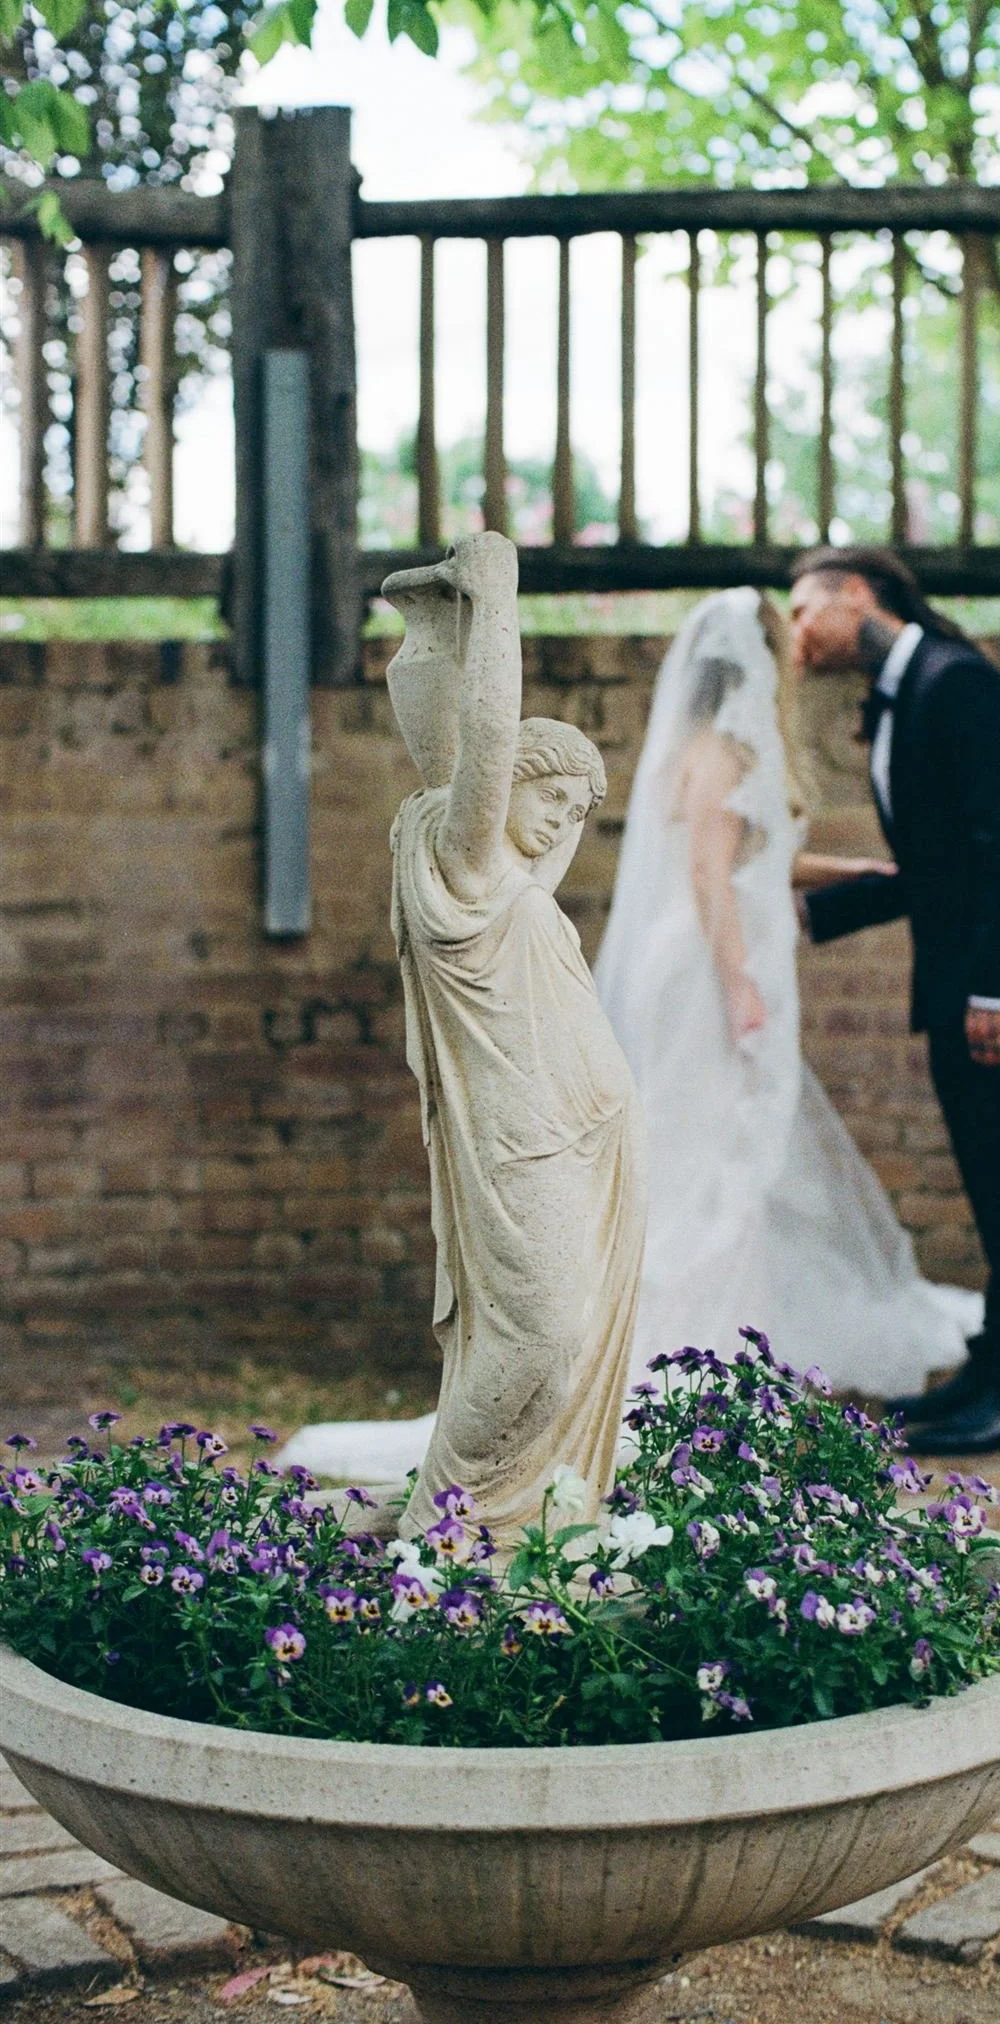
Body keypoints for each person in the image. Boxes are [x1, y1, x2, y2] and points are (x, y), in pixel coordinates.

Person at [284, 533, 646, 1537]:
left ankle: (509, 1519)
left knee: (564, 1350)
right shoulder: (462, 858)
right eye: (549, 797)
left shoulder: (519, 882)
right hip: (520, 1139)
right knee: (540, 1337)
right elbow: (484, 744)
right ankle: (441, 1525)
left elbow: (508, 768)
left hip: (594, 1135)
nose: (560, 822)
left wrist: (437, 640)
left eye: (576, 810)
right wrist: (493, 601)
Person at [595, 586, 982, 1396]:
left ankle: (712, 1342)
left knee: (714, 1148)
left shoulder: (706, 748)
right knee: (707, 1154)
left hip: (702, 956)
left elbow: (749, 855)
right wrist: (740, 984)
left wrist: (852, 871)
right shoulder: (724, 754)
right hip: (704, 969)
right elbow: (710, 876)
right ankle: (683, 1355)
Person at [788, 545, 1000, 1456]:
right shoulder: (899, 693)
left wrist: (997, 991)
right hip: (964, 976)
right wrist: (810, 914)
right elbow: (940, 863)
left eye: (804, 610)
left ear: (858, 593)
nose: (796, 633)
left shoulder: (957, 682)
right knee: (994, 1181)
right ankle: (997, 1363)